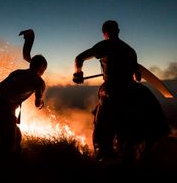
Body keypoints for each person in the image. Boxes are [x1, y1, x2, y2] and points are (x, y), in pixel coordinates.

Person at [73, 20, 170, 164]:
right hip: (135, 89)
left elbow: (79, 58)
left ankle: (103, 160)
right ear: (118, 31)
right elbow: (137, 77)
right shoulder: (131, 50)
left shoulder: (105, 44)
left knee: (102, 130)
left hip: (112, 89)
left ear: (104, 33)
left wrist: (78, 73)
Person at [0, 54, 47, 159]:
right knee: (7, 150)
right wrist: (41, 102)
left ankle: (2, 167)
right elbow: (37, 103)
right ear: (42, 67)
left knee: (15, 137)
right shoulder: (39, 82)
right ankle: (3, 170)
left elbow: (8, 88)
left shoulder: (17, 72)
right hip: (2, 109)